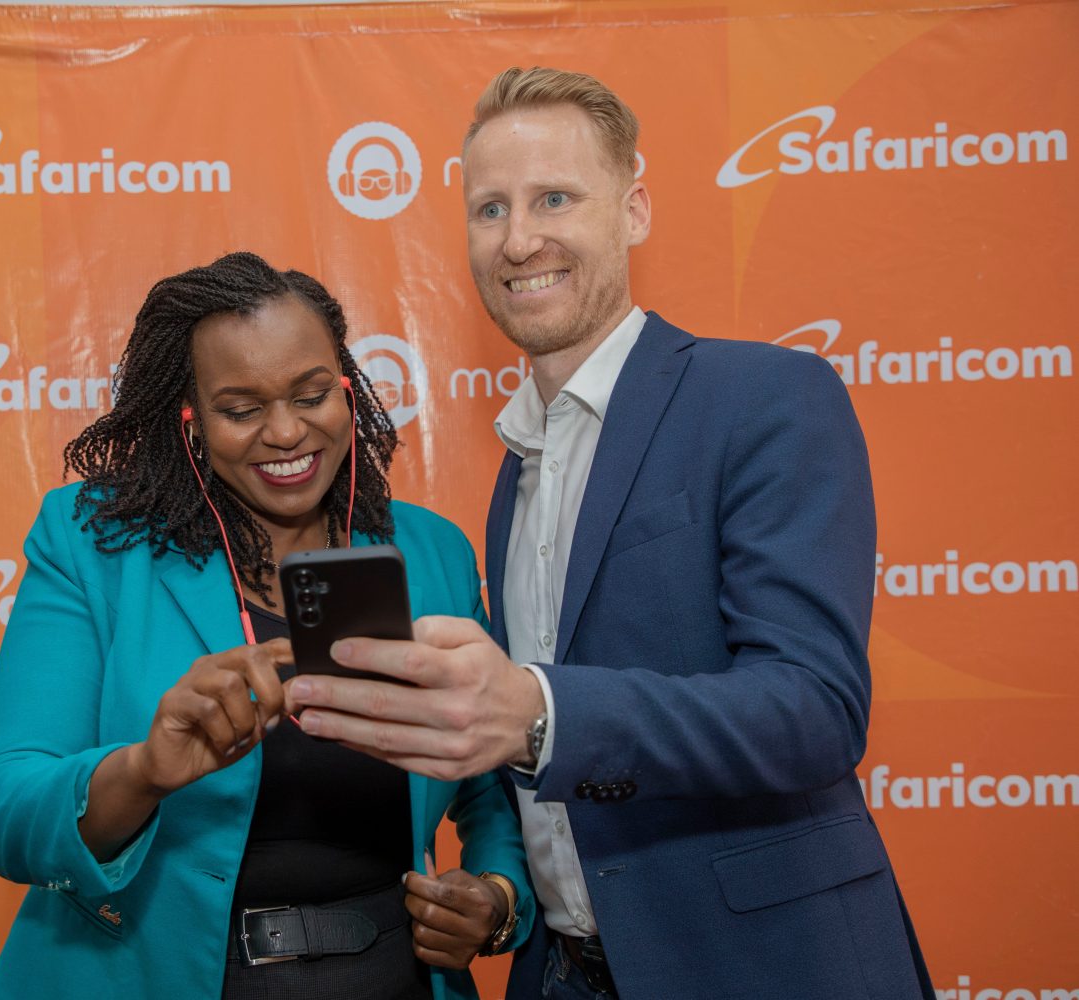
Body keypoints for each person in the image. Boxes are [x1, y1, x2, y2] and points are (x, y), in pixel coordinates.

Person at [284, 69, 939, 999]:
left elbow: (815, 709)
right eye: (490, 209)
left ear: (633, 211)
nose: (519, 240)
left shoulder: (763, 398)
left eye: (555, 198)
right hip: (567, 974)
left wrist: (538, 713)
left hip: (763, 970)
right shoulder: (517, 474)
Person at [0, 252, 534, 1000]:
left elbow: (492, 781)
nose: (287, 431)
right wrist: (142, 772)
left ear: (348, 391)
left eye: (313, 395)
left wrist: (497, 896)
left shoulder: (431, 553)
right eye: (241, 410)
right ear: (190, 418)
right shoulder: (93, 543)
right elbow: (5, 806)